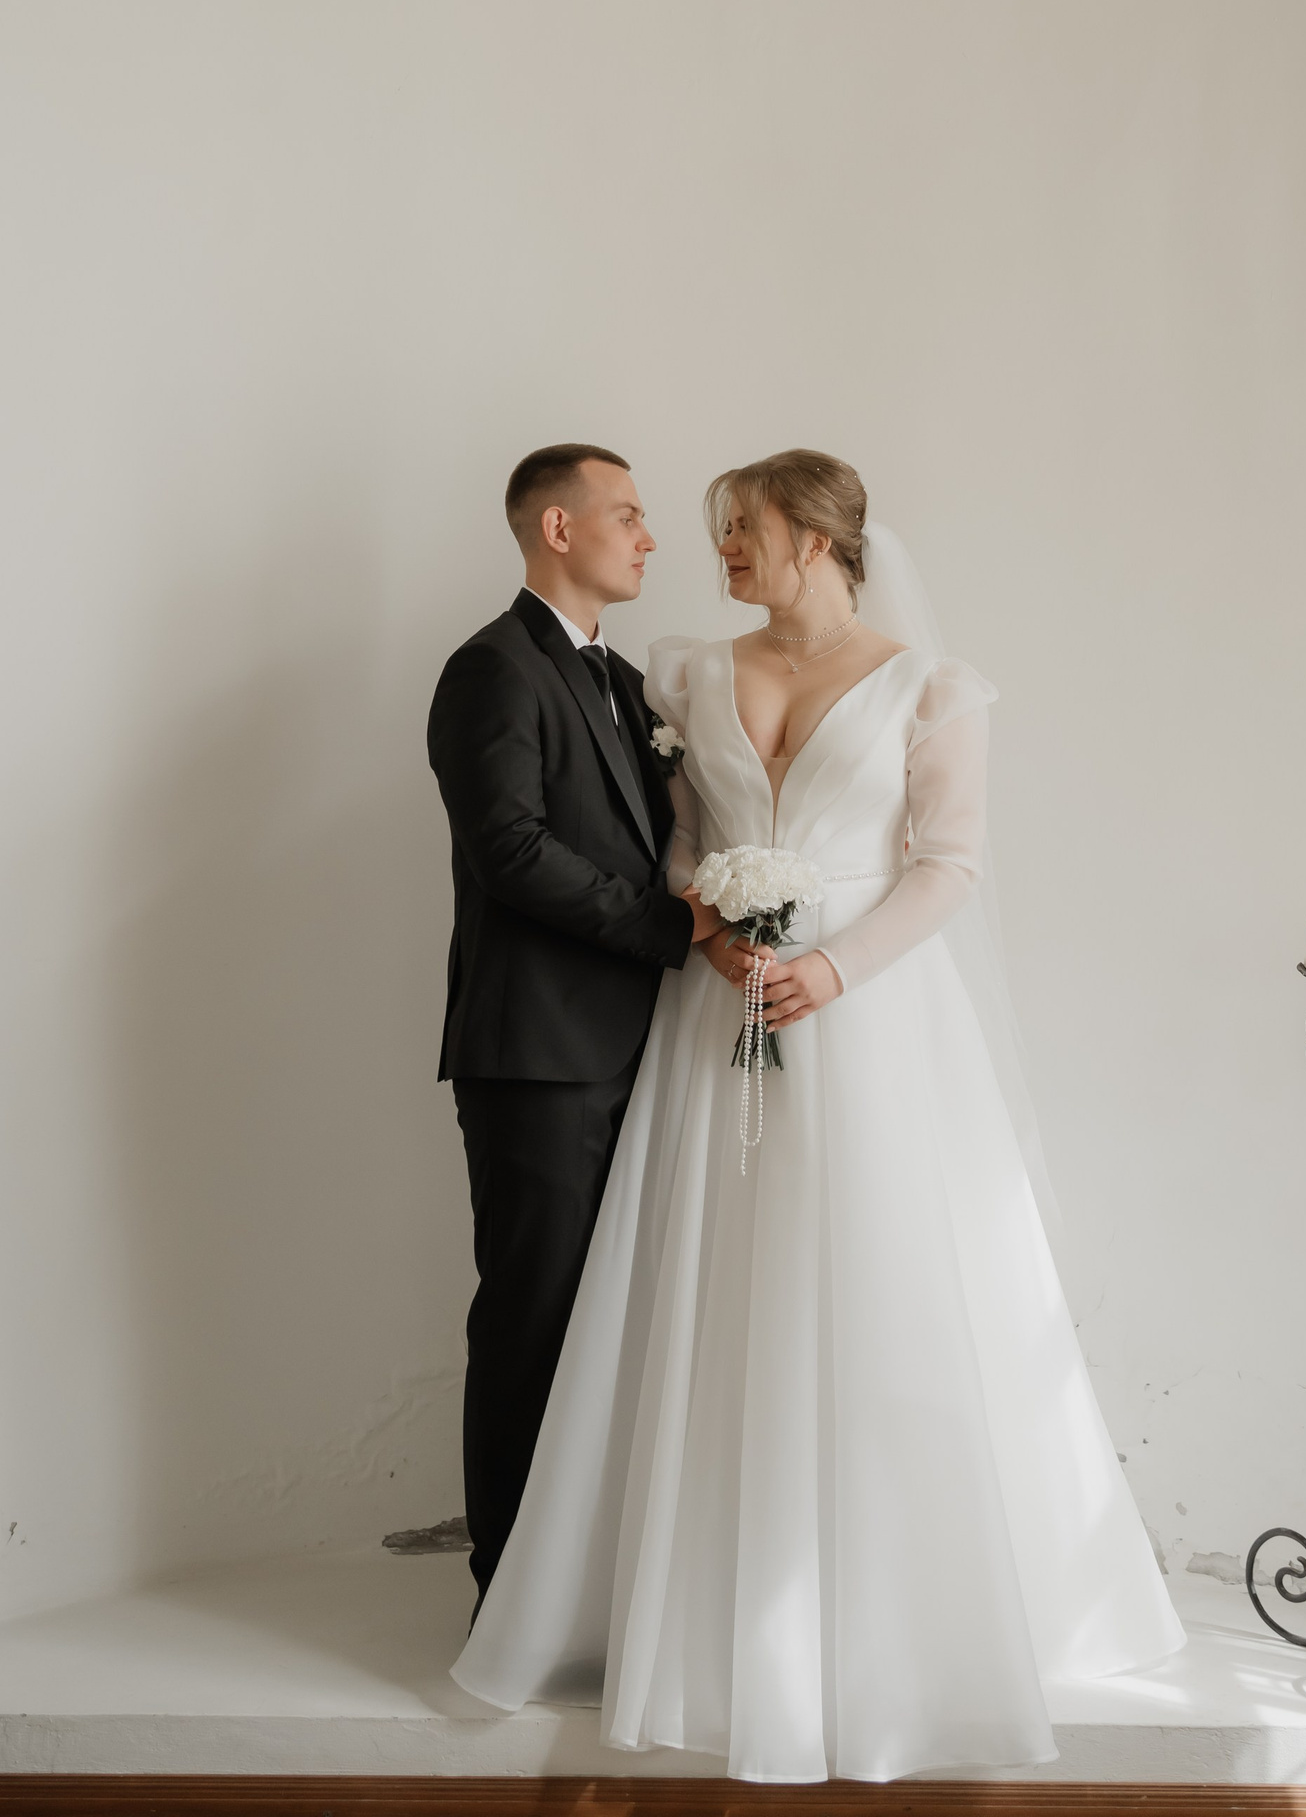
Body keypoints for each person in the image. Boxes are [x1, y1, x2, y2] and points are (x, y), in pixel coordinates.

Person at [451, 448, 1184, 1780]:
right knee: (703, 1292)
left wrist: (833, 969)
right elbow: (681, 844)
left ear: (812, 536)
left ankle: (892, 1608)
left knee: (877, 1286)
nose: (717, 550)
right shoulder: (687, 675)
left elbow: (949, 865)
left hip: (871, 1021)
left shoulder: (933, 688)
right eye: (714, 530)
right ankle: (685, 1601)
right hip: (716, 1015)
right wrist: (716, 930)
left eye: (741, 529)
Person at [428, 443, 723, 1603]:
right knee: (534, 1318)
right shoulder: (491, 668)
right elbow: (510, 850)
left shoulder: (629, 683)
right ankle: (509, 1593)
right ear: (559, 529)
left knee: (618, 1324)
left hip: (641, 1048)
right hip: (539, 1057)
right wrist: (669, 925)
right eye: (628, 515)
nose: (649, 538)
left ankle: (594, 1581)